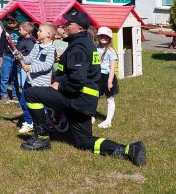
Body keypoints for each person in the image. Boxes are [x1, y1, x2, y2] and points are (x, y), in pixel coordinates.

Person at [21, 10, 147, 167]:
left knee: (31, 93)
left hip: (77, 98)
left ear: (79, 28)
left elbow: (76, 81)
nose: (65, 26)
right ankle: (130, 149)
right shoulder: (83, 43)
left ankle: (41, 139)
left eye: (69, 23)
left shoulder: (78, 47)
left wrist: (59, 85)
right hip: (85, 102)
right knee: (83, 141)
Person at [18, 23, 57, 134]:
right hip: (29, 81)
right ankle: (29, 122)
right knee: (24, 102)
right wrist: (21, 57)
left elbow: (47, 66)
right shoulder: (36, 45)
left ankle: (44, 122)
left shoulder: (51, 49)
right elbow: (29, 59)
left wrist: (31, 68)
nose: (37, 32)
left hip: (41, 84)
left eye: (40, 31)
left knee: (40, 106)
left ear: (48, 34)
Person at [95, 26, 119, 129]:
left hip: (108, 77)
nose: (104, 38)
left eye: (106, 36)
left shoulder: (111, 51)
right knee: (94, 97)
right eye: (101, 36)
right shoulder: (95, 48)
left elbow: (112, 68)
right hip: (97, 76)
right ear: (98, 36)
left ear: (110, 38)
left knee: (110, 99)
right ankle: (92, 116)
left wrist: (110, 81)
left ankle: (108, 121)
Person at [0, 15, 23, 104]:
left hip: (16, 58)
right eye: (8, 22)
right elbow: (1, 45)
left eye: (13, 22)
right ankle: (4, 94)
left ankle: (15, 95)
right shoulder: (4, 31)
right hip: (7, 57)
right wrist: (1, 58)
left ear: (17, 21)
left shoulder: (20, 32)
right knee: (4, 77)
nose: (11, 23)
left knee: (15, 77)